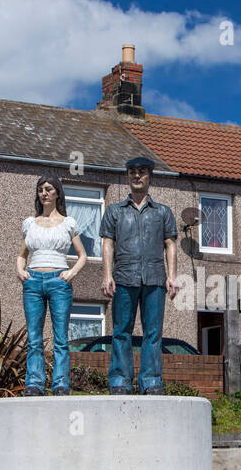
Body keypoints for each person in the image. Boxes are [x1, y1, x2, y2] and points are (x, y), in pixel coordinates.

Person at [100, 156, 177, 395]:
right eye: (132, 172)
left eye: (142, 172)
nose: (137, 176)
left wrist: (172, 276)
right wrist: (106, 275)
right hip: (123, 278)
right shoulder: (115, 212)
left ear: (150, 177)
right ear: (127, 176)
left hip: (155, 279)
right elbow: (107, 243)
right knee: (121, 331)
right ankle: (120, 381)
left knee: (153, 333)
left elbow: (170, 244)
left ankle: (151, 381)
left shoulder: (163, 212)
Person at [18, 176, 88, 396]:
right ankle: (35, 384)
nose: (44, 193)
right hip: (33, 282)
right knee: (34, 338)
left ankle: (60, 385)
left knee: (60, 338)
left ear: (57, 193)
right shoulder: (30, 223)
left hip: (59, 282)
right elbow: (22, 255)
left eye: (48, 189)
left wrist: (70, 273)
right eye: (40, 190)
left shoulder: (68, 223)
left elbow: (82, 255)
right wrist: (20, 271)